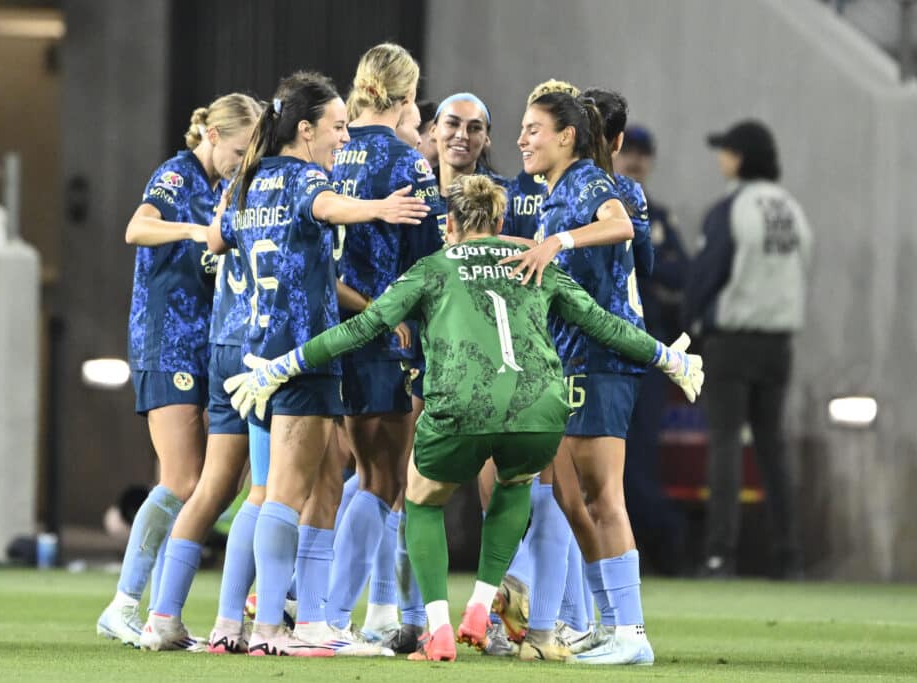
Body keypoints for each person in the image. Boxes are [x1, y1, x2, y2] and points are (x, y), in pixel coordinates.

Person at [223, 174, 703, 663]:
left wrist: (286, 364)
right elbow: (602, 322)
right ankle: (479, 602)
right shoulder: (533, 262)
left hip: (461, 403)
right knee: (516, 486)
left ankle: (438, 629)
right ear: (499, 221)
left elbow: (366, 326)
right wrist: (670, 358)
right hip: (538, 408)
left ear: (448, 223)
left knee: (422, 500)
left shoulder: (432, 267)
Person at [211, 70, 428, 658]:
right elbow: (326, 205)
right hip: (302, 358)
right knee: (288, 495)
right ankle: (295, 627)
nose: (343, 139)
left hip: (253, 352)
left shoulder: (249, 180)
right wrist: (378, 207)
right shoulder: (307, 177)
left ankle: (235, 623)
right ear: (304, 130)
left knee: (265, 495)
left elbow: (215, 240)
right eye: (336, 127)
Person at [500, 91, 668, 665]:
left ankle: (632, 633)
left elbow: (618, 225)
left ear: (566, 136)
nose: (522, 139)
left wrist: (559, 240)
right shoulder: (556, 193)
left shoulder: (589, 181)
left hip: (602, 356)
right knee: (574, 499)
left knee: (603, 496)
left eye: (533, 129)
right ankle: (606, 624)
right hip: (573, 357)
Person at [97, 93, 258, 649]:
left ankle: (163, 612)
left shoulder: (227, 188)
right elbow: (136, 229)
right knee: (184, 479)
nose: (244, 160)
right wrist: (194, 232)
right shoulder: (176, 174)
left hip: (206, 344)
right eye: (239, 149)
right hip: (166, 340)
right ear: (212, 136)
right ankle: (122, 605)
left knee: (216, 483)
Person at [324, 43, 441, 648]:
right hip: (387, 335)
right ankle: (335, 618)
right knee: (383, 480)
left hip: (332, 328)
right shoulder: (406, 163)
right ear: (404, 95)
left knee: (349, 475)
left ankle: (335, 612)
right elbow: (431, 255)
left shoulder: (331, 154)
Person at [683, 119, 811, 580]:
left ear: (739, 157)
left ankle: (720, 555)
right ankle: (789, 556)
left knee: (725, 445)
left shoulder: (732, 208)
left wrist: (687, 327)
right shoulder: (792, 210)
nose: (721, 159)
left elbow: (705, 275)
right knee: (773, 448)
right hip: (779, 343)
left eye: (726, 151)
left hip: (733, 341)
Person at [614, 124, 690, 576]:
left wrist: (653, 269)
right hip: (601, 349)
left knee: (639, 455)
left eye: (645, 154)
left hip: (645, 351)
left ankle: (653, 546)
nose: (636, 161)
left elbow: (682, 273)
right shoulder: (591, 206)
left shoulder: (658, 216)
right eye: (630, 152)